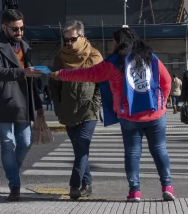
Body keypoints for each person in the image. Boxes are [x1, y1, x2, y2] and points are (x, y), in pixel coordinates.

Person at [50, 27, 175, 202]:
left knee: (132, 153)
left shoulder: (114, 62)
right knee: (160, 150)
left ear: (119, 42)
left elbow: (87, 74)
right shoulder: (149, 57)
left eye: (114, 41)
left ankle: (135, 191)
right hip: (155, 114)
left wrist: (61, 74)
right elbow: (167, 81)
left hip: (129, 116)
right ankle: (167, 187)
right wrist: (161, 102)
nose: (112, 44)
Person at [0, 9, 44, 201]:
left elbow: (31, 78)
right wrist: (22, 73)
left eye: (21, 28)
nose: (19, 32)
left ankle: (11, 171)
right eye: (15, 29)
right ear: (4, 27)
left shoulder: (25, 46)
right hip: (3, 101)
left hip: (24, 102)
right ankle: (14, 184)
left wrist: (39, 104)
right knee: (7, 144)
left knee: (26, 142)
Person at [49, 20, 103, 200]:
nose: (68, 44)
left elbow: (101, 85)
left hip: (88, 111)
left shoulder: (94, 56)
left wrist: (95, 104)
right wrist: (58, 105)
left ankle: (74, 184)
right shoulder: (60, 58)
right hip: (68, 110)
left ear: (82, 36)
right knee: (79, 150)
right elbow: (54, 86)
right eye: (65, 40)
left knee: (82, 146)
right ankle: (87, 184)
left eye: (72, 39)